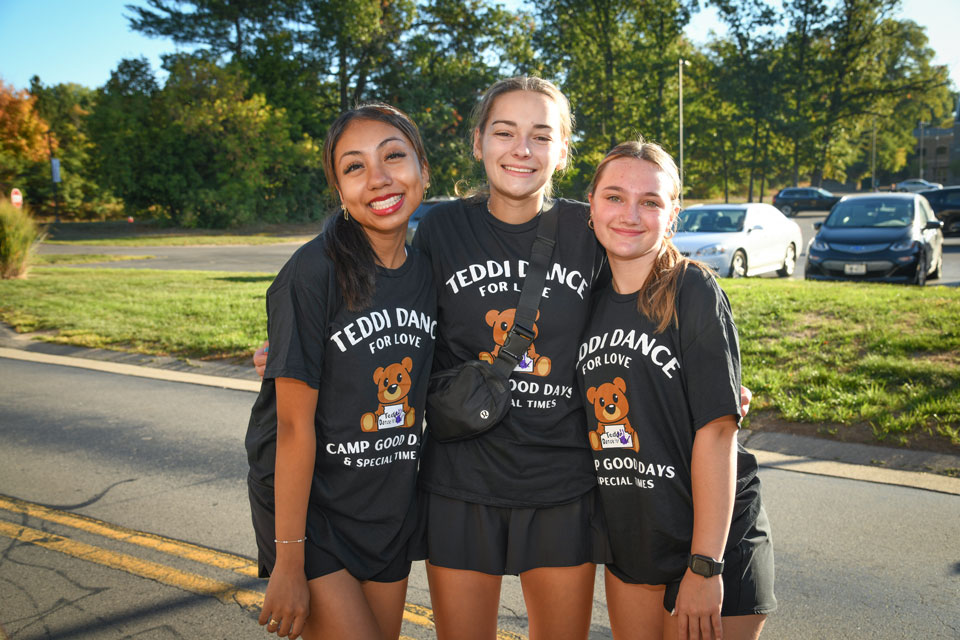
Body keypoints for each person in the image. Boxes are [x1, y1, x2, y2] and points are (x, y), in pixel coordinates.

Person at [410, 76, 611, 640]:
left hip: (561, 481)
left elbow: (649, 299)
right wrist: (300, 342)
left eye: (541, 135)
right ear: (478, 142)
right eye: (505, 132)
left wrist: (705, 378)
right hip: (460, 478)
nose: (522, 149)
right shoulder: (441, 227)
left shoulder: (589, 227)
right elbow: (383, 297)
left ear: (564, 150)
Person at [245, 103, 436, 640]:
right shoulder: (312, 272)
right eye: (354, 167)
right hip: (313, 515)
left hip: (388, 505)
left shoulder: (429, 270)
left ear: (423, 167)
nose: (378, 179)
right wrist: (287, 562)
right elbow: (292, 427)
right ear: (340, 189)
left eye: (393, 156)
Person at [577, 140, 776, 640]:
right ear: (592, 206)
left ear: (673, 215)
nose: (630, 214)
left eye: (650, 201)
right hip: (634, 533)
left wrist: (706, 566)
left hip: (714, 538)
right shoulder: (583, 300)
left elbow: (717, 432)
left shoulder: (694, 290)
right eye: (615, 197)